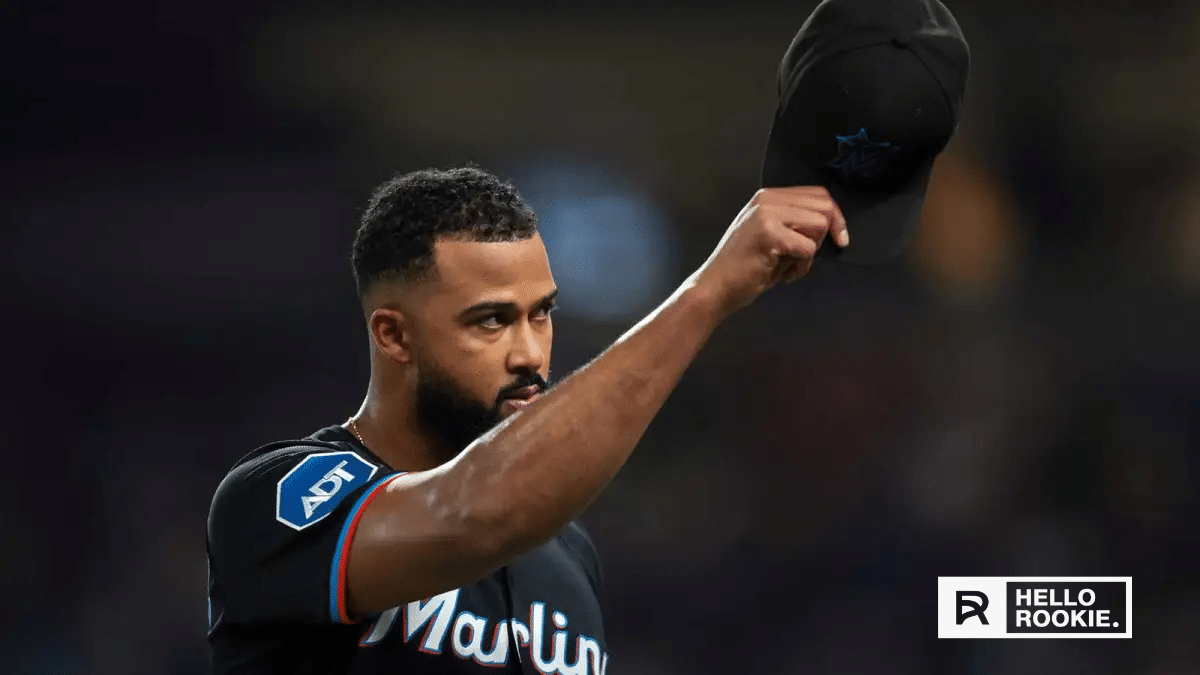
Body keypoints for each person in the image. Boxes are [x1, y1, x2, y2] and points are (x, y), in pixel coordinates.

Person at [205, 165, 849, 674]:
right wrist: (707, 294)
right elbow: (472, 514)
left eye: (541, 314)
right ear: (395, 336)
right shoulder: (273, 503)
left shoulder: (566, 552)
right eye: (491, 320)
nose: (530, 353)